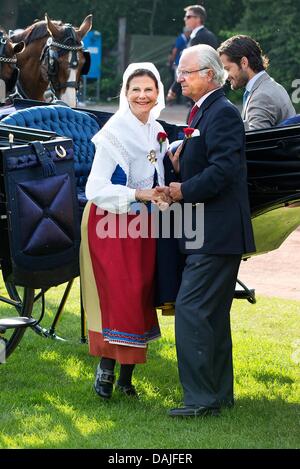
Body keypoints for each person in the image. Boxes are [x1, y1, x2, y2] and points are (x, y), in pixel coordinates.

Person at [158, 44, 256, 417]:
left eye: (186, 72)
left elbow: (225, 171)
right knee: (211, 314)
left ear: (209, 75)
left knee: (192, 308)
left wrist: (184, 189)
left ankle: (200, 400)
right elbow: (210, 161)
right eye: (180, 72)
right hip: (212, 231)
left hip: (217, 232)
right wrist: (182, 157)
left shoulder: (223, 113)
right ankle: (218, 396)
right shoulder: (204, 112)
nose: (179, 78)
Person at [80, 63, 170, 400]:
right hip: (111, 224)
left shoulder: (155, 130)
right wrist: (138, 194)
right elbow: (95, 188)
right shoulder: (115, 132)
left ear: (158, 92)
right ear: (125, 93)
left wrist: (159, 196)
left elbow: (153, 179)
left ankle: (126, 377)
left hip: (142, 225)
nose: (142, 96)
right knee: (122, 296)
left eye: (148, 89)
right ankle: (105, 370)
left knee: (141, 294)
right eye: (136, 90)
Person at [218, 35, 296, 131]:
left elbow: (257, 144)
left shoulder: (261, 96)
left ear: (244, 62)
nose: (226, 76)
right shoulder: (271, 86)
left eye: (227, 69)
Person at [167, 4, 218, 103]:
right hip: (209, 87)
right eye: (185, 16)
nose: (185, 19)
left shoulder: (198, 38)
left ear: (198, 19)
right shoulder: (208, 35)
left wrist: (173, 89)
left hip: (201, 88)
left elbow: (187, 67)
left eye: (188, 16)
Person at [167, 27, 191, 103]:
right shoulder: (181, 39)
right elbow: (174, 50)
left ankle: (180, 100)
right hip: (178, 64)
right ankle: (170, 99)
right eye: (189, 32)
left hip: (184, 63)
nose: (190, 34)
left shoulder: (187, 39)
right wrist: (172, 62)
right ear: (186, 32)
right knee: (177, 81)